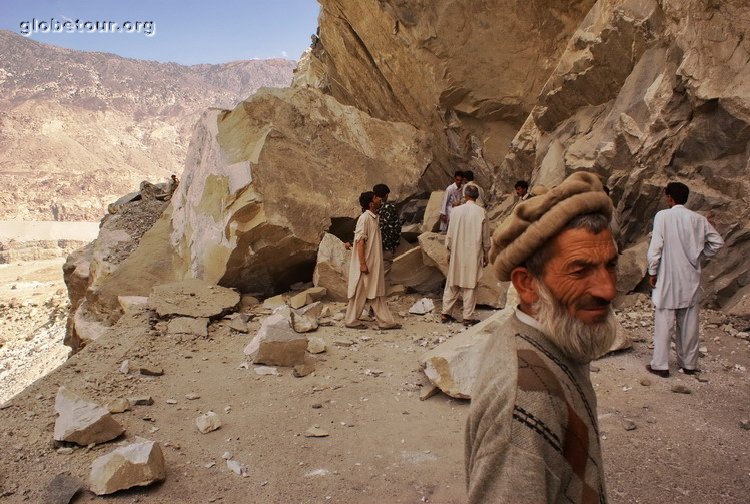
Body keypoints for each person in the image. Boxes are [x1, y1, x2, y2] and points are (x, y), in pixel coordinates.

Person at [466, 171, 617, 504]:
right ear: (526, 284)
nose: (608, 289)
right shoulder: (526, 399)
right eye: (580, 270)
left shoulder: (555, 336)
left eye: (610, 265)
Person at [646, 182, 724, 377]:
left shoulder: (663, 216)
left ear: (669, 197)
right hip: (690, 278)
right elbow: (717, 242)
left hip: (669, 277)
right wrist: (701, 255)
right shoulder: (698, 219)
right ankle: (689, 364)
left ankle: (660, 365)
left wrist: (652, 272)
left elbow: (656, 248)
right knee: (689, 323)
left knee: (664, 322)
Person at [344, 191, 401, 330]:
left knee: (371, 292)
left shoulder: (374, 217)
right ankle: (383, 322)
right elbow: (360, 242)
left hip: (373, 264)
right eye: (376, 197)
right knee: (366, 292)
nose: (379, 199)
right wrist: (363, 264)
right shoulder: (364, 218)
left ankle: (378, 321)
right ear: (370, 203)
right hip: (367, 264)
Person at [441, 185, 490, 326]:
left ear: (465, 195)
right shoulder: (482, 212)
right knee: (470, 284)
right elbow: (486, 237)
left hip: (457, 251)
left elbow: (449, 235)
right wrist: (486, 253)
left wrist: (449, 251)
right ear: (477, 196)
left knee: (452, 282)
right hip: (473, 253)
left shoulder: (456, 211)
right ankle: (467, 317)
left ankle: (445, 313)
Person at [372, 183, 401, 272]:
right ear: (386, 195)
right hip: (387, 246)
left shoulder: (372, 208)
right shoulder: (390, 207)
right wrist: (393, 245)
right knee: (385, 273)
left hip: (374, 245)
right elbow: (393, 229)